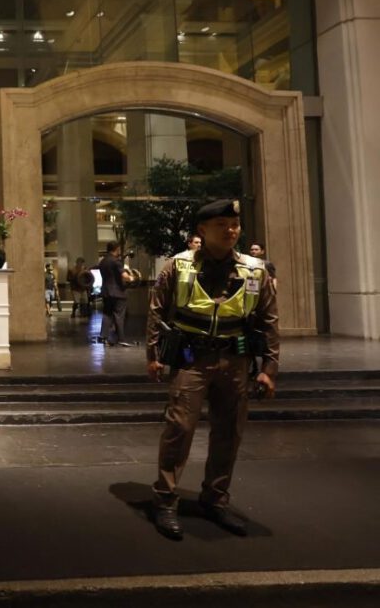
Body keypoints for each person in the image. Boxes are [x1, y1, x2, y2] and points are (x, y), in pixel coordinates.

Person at [146, 199, 279, 541]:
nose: (231, 231)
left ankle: (216, 498)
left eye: (234, 225)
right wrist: (154, 354)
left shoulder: (255, 270)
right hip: (192, 360)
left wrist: (269, 368)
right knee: (179, 428)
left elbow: (268, 322)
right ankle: (166, 500)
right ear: (202, 231)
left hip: (236, 362)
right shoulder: (177, 266)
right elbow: (157, 312)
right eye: (222, 225)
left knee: (229, 433)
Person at [96, 241, 131, 346]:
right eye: (119, 249)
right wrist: (131, 278)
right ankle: (121, 339)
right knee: (119, 316)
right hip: (118, 293)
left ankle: (103, 337)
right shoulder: (116, 262)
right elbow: (125, 276)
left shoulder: (102, 262)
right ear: (116, 249)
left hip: (106, 292)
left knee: (107, 314)